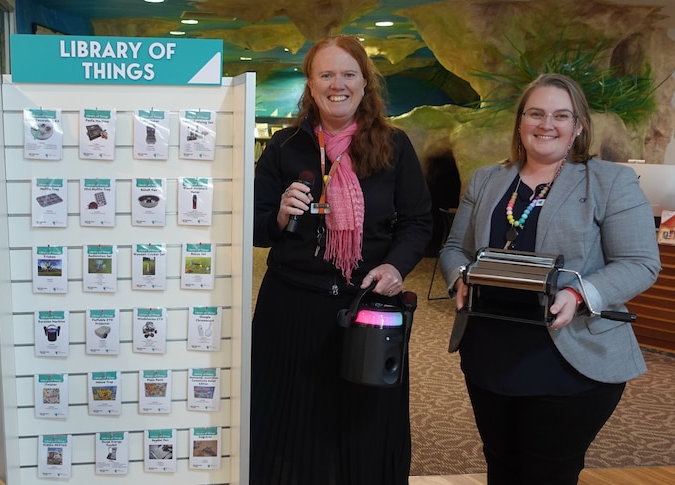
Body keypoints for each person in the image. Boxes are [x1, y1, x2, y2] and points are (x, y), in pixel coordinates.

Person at [438, 73, 662, 485]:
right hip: (489, 355)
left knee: (547, 473)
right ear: (520, 122)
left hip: (570, 360)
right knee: (501, 466)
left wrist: (580, 293)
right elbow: (454, 250)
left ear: (577, 127)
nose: (547, 124)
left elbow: (639, 262)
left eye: (561, 115)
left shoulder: (610, 182)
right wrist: (461, 279)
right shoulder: (487, 179)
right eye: (536, 113)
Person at [251, 35, 432, 485]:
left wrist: (394, 267)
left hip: (367, 306)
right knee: (289, 418)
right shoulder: (283, 146)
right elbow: (253, 230)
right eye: (326, 75)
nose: (338, 84)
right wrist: (276, 215)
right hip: (291, 307)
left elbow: (418, 222)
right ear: (310, 86)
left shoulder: (395, 146)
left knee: (365, 420)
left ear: (365, 83)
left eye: (349, 74)